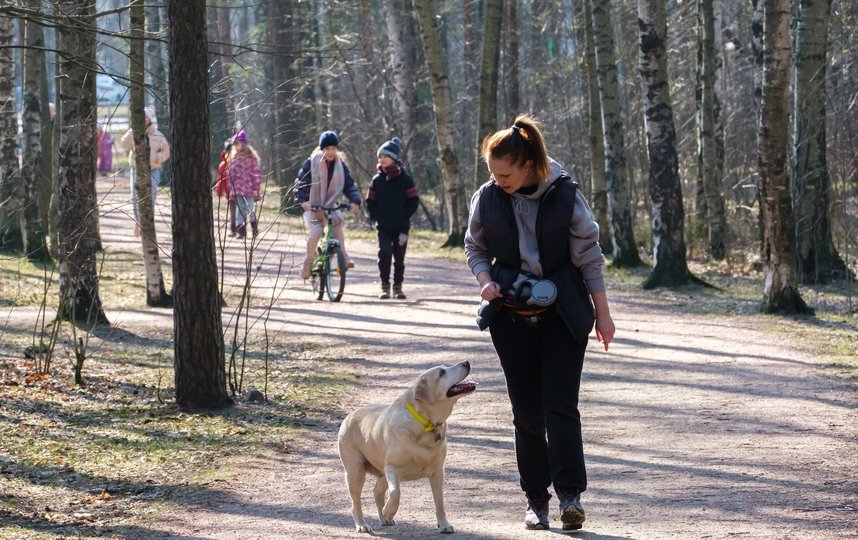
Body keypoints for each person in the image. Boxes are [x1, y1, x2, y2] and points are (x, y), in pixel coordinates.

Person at [464, 114, 616, 532]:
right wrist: (486, 281)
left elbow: (589, 256)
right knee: (527, 414)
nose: (498, 181)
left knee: (560, 406)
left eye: (505, 173)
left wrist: (603, 313)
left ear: (530, 164)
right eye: (492, 173)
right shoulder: (487, 196)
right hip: (511, 317)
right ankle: (536, 500)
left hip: (564, 314)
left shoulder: (566, 195)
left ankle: (571, 497)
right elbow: (474, 246)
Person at [293, 130, 362, 280]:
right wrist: (302, 200)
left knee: (337, 223)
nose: (331, 152)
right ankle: (309, 261)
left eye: (333, 148)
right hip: (312, 206)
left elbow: (349, 185)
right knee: (317, 232)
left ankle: (343, 256)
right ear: (322, 149)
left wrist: (355, 200)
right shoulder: (311, 162)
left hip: (330, 205)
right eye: (327, 148)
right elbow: (301, 182)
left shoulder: (340, 165)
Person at [366, 137, 419, 300]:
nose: (381, 159)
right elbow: (370, 201)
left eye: (384, 156)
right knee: (385, 253)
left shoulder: (405, 179)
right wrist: (376, 216)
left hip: (402, 228)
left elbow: (414, 200)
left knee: (399, 256)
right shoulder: (377, 180)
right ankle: (385, 286)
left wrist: (404, 215)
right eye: (379, 156)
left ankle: (398, 287)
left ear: (394, 158)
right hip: (383, 227)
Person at [120, 107, 170, 237]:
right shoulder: (134, 132)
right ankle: (138, 223)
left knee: (151, 196)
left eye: (147, 116)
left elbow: (166, 151)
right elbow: (123, 143)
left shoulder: (158, 134)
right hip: (136, 169)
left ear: (150, 118)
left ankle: (148, 224)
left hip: (153, 170)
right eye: (143, 117)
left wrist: (158, 158)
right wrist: (133, 142)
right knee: (135, 197)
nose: (145, 119)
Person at [226, 130, 261, 239]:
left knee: (250, 209)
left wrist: (255, 187)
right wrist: (231, 188)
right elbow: (230, 174)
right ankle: (241, 231)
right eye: (234, 144)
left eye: (237, 144)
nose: (236, 147)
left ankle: (254, 229)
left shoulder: (251, 158)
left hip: (249, 189)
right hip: (237, 189)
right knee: (239, 209)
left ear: (243, 143)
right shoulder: (234, 158)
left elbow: (256, 173)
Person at [214, 139, 237, 236]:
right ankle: (233, 229)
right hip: (230, 193)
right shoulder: (223, 165)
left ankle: (241, 228)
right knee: (233, 210)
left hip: (241, 191)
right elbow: (220, 179)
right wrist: (219, 191)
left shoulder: (239, 162)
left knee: (241, 210)